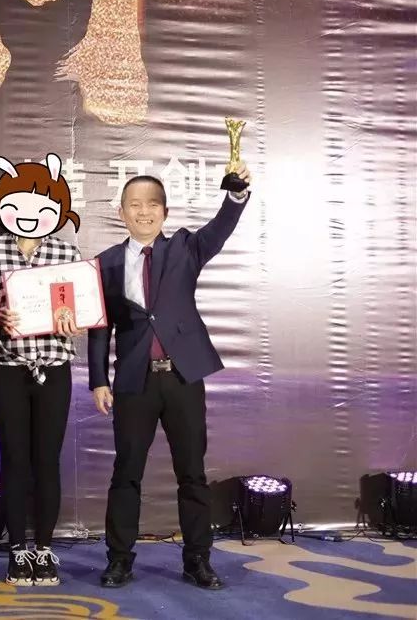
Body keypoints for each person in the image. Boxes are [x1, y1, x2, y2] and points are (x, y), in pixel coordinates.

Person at [88, 165, 252, 590]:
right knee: (126, 473)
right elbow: (100, 326)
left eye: (151, 205)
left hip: (182, 378)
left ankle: (198, 560)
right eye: (134, 205)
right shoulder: (105, 263)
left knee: (192, 473)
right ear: (121, 212)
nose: (143, 212)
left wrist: (235, 193)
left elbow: (221, 226)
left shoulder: (185, 247)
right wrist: (98, 380)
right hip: (133, 382)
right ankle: (119, 560)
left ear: (164, 211)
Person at [0, 153, 84, 586]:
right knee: (14, 458)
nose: (30, 215)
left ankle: (45, 548)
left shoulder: (66, 251)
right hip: (7, 367)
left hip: (54, 367)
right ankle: (18, 549)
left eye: (41, 206)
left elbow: (81, 308)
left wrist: (74, 321)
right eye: (18, 204)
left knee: (47, 460)